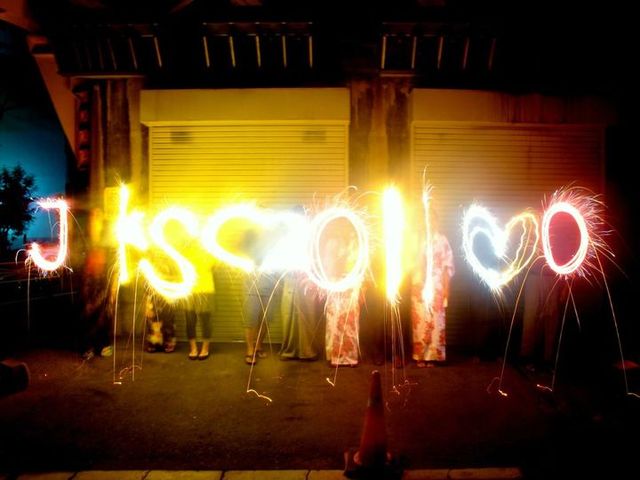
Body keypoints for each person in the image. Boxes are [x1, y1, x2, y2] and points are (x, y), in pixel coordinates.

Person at [411, 210, 454, 367]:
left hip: (436, 284)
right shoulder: (418, 240)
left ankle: (433, 357)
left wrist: (446, 288)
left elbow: (447, 266)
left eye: (433, 219)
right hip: (419, 283)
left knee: (436, 321)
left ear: (437, 221)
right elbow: (411, 262)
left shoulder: (442, 241)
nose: (430, 222)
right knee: (421, 320)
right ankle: (421, 356)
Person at [81, 208, 117, 360]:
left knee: (104, 315)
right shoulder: (85, 239)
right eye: (93, 217)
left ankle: (103, 345)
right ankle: (88, 346)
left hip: (103, 281)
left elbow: (115, 264)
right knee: (88, 314)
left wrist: (113, 287)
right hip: (89, 281)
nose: (95, 221)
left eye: (98, 217)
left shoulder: (108, 240)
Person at [324, 228, 362, 367]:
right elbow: (328, 267)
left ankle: (350, 357)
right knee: (335, 321)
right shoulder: (332, 243)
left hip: (351, 285)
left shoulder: (356, 243)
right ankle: (336, 356)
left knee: (349, 322)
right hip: (335, 285)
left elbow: (360, 266)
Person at [242, 229, 278, 365]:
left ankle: (258, 345)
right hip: (251, 288)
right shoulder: (249, 242)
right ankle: (250, 349)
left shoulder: (273, 245)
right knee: (250, 319)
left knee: (266, 319)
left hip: (270, 287)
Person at [279, 271, 320, 361]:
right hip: (290, 282)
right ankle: (289, 350)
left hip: (308, 282)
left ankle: (308, 350)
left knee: (308, 315)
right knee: (289, 315)